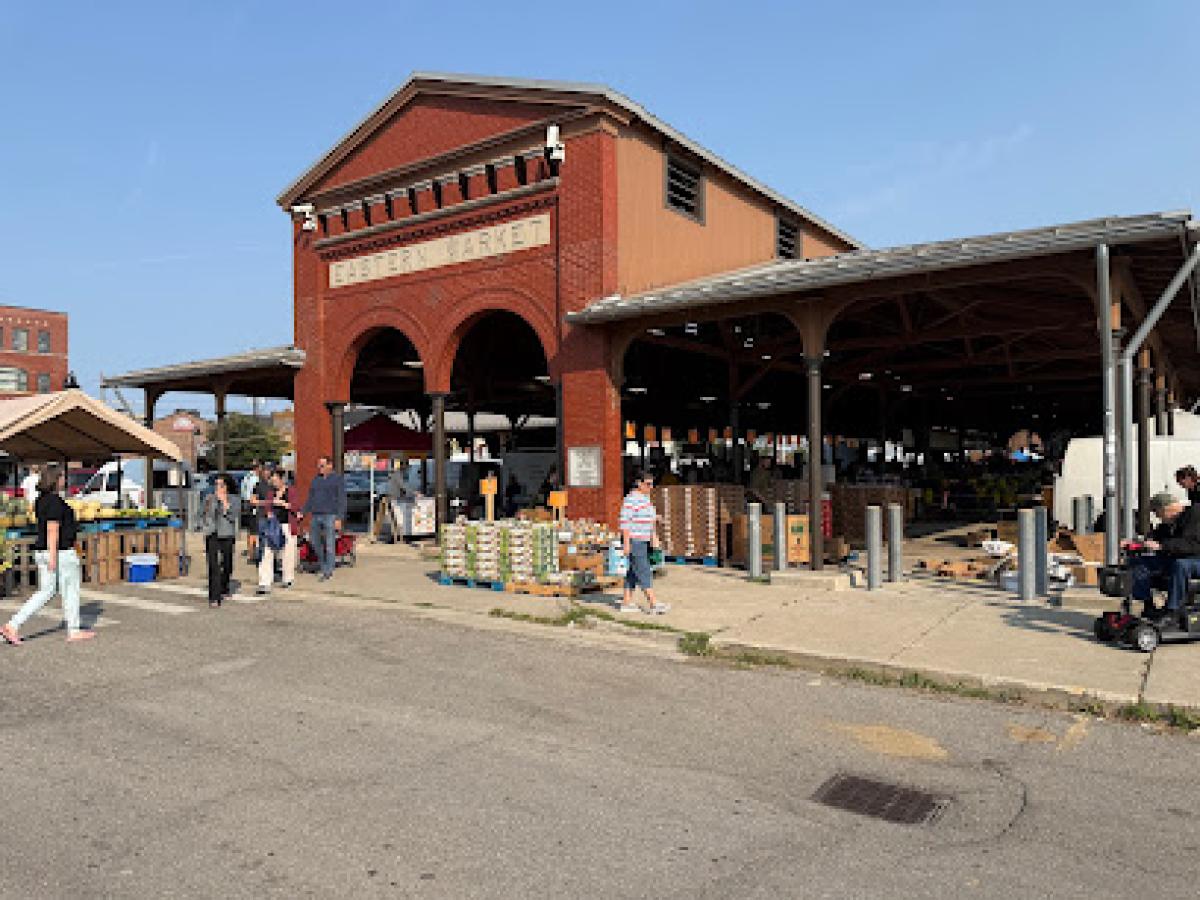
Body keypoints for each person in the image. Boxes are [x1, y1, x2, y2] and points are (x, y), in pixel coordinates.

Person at [1, 465, 93, 645]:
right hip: (60, 552)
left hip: (44, 551)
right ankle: (73, 630)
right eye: (62, 477)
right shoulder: (54, 502)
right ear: (56, 479)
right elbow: (52, 529)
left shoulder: (40, 500)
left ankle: (13, 625)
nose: (65, 480)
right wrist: (53, 557)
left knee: (46, 591)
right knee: (70, 590)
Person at [1128, 491, 1200, 622]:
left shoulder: (1194, 515)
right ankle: (1147, 604)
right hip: (1176, 557)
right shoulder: (1168, 523)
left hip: (1195, 558)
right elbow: (1154, 537)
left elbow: (1192, 544)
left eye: (1156, 512)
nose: (1157, 516)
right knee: (1138, 562)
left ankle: (1173, 610)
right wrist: (1137, 543)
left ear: (1166, 509)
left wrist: (1162, 546)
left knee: (1180, 565)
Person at [618, 471, 668, 615]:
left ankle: (626, 602)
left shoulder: (645, 499)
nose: (651, 487)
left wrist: (655, 527)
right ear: (638, 483)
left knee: (633, 571)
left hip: (644, 539)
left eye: (652, 484)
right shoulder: (630, 499)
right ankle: (653, 603)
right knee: (644, 570)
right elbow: (625, 522)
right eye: (648, 484)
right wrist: (626, 543)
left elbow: (648, 518)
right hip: (634, 540)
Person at [297, 456, 345, 582]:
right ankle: (323, 564)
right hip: (316, 515)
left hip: (330, 515)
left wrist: (339, 518)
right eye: (318, 466)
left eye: (322, 465)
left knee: (329, 544)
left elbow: (342, 500)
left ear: (330, 465)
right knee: (314, 541)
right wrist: (303, 512)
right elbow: (310, 499)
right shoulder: (316, 480)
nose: (319, 468)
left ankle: (328, 570)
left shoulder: (337, 480)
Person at [201, 473, 240, 608]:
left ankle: (224, 586)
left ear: (227, 486)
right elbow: (202, 513)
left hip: (227, 534)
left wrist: (224, 503)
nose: (218, 488)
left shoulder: (234, 499)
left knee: (227, 564)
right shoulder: (209, 498)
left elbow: (233, 516)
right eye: (216, 485)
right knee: (213, 565)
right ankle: (214, 597)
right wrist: (204, 525)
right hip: (212, 533)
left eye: (221, 485)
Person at [256, 469, 297, 595]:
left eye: (275, 480)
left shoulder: (291, 491)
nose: (274, 483)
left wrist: (284, 504)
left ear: (282, 479)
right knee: (267, 552)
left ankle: (288, 578)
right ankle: (264, 582)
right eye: (272, 480)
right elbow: (267, 506)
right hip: (273, 525)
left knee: (288, 553)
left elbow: (296, 507)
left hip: (287, 525)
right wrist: (269, 509)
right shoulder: (271, 493)